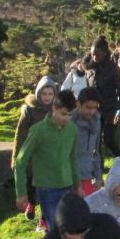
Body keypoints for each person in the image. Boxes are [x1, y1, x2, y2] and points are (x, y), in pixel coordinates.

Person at [14, 89, 81, 231]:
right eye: (63, 114)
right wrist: (21, 193)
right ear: (54, 108)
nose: (66, 118)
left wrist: (78, 185)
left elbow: (72, 158)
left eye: (70, 115)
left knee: (69, 227)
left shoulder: (72, 129)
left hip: (67, 185)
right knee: (55, 229)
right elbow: (21, 161)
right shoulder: (38, 130)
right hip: (47, 188)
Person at [12, 76, 57, 230]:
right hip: (32, 156)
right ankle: (31, 203)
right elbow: (20, 135)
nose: (47, 97)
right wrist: (16, 158)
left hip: (49, 156)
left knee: (47, 190)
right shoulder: (29, 111)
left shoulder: (57, 110)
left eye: (50, 94)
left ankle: (44, 218)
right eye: (44, 94)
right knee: (32, 185)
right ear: (38, 94)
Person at [84, 37, 120, 159]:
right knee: (95, 142)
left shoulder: (113, 68)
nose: (94, 57)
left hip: (110, 109)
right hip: (94, 110)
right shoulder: (90, 68)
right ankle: (98, 171)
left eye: (97, 55)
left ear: (104, 53)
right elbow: (88, 89)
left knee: (108, 139)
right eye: (92, 54)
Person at [71, 87, 103, 196]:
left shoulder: (97, 121)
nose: (92, 111)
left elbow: (96, 151)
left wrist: (98, 177)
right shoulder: (69, 122)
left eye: (95, 107)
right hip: (68, 179)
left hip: (87, 176)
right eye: (88, 107)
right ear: (78, 104)